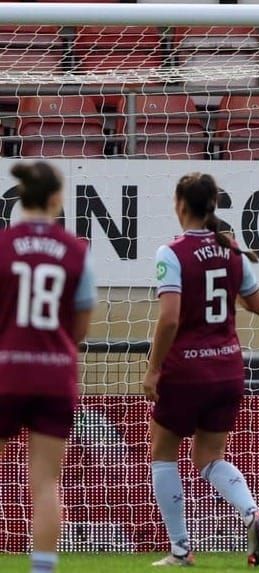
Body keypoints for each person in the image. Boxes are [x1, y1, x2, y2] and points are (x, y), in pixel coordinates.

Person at [143, 173, 259, 567]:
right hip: (228, 368)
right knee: (210, 455)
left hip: (186, 370)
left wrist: (153, 369)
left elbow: (169, 319)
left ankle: (181, 549)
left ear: (180, 204)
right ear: (213, 204)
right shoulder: (231, 250)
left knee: (163, 451)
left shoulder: (172, 252)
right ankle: (251, 512)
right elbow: (258, 305)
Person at [0, 161, 96, 573]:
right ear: (57, 199)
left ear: (21, 198)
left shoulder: (3, 245)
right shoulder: (76, 252)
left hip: (7, 372)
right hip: (55, 375)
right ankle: (42, 568)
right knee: (45, 483)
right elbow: (81, 325)